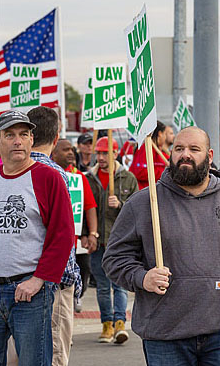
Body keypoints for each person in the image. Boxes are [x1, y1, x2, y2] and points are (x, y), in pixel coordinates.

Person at [103, 126, 220, 365]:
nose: (185, 154)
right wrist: (142, 277)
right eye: (178, 148)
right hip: (164, 334)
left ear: (210, 156)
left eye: (194, 149)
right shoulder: (143, 203)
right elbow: (114, 259)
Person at [0, 109, 75, 366]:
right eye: (10, 135)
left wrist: (39, 280)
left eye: (24, 134)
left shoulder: (48, 178)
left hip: (29, 294)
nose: (17, 141)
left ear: (32, 140)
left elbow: (63, 236)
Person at [27, 107, 85, 366]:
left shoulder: (10, 170)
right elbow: (62, 235)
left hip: (19, 278)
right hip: (54, 280)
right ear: (57, 134)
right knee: (54, 354)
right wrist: (71, 278)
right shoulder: (57, 174)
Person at [87, 136, 139, 344]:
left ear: (115, 154)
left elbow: (137, 209)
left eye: (104, 153)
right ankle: (106, 324)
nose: (100, 157)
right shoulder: (89, 178)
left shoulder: (128, 178)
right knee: (101, 285)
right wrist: (85, 235)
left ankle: (120, 323)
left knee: (119, 285)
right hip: (98, 241)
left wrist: (120, 204)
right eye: (98, 153)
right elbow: (83, 210)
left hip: (119, 242)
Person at [50, 139, 98, 312]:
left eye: (71, 149)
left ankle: (78, 294)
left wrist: (93, 233)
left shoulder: (79, 178)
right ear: (53, 154)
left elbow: (90, 206)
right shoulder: (48, 175)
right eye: (65, 150)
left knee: (84, 269)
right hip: (56, 240)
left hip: (77, 239)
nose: (70, 153)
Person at [129, 120, 169, 189]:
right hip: (145, 192)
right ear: (160, 134)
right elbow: (140, 172)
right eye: (165, 134)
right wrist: (164, 173)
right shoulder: (145, 149)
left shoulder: (160, 152)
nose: (165, 138)